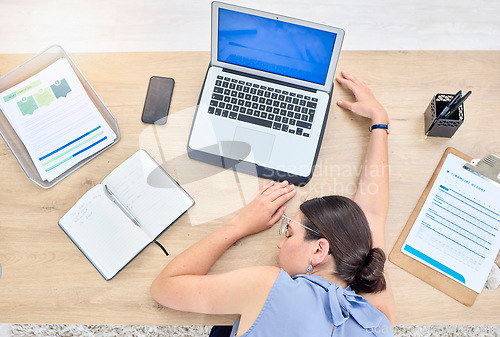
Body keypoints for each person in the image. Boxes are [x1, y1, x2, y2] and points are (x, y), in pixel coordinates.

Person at [150, 71, 395, 336]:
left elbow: (164, 288)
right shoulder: (376, 318)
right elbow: (371, 214)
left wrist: (238, 225)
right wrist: (379, 122)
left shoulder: (266, 286)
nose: (280, 242)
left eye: (289, 232)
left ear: (319, 250)